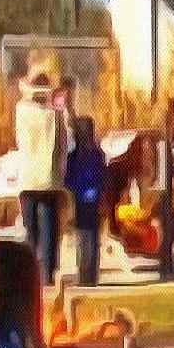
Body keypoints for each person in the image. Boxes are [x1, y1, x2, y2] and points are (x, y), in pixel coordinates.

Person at [13, 68, 65, 283]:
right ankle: (48, 273)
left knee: (30, 230)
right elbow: (62, 145)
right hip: (48, 178)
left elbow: (17, 139)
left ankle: (29, 273)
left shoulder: (22, 111)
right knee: (49, 229)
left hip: (27, 177)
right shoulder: (55, 114)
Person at [63, 116, 107, 289]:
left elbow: (68, 179)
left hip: (79, 198)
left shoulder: (74, 156)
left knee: (82, 236)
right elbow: (102, 177)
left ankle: (83, 272)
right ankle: (92, 274)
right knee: (93, 236)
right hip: (94, 197)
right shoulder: (97, 153)